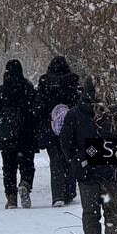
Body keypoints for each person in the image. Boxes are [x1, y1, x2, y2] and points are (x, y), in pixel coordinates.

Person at [59, 76, 117, 234]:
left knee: (90, 215)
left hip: (87, 174)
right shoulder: (116, 112)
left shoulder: (74, 114)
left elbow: (65, 142)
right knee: (113, 212)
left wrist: (77, 161)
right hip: (111, 172)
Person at [0, 59, 38, 209]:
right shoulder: (28, 88)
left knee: (9, 168)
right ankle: (25, 184)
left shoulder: (0, 91)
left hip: (7, 138)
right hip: (26, 135)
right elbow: (36, 109)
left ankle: (11, 198)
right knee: (27, 164)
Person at [35, 55, 81, 206]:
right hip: (70, 129)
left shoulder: (44, 84)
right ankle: (70, 191)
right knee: (70, 158)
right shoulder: (72, 82)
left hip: (51, 129)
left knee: (55, 161)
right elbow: (77, 104)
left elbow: (38, 107)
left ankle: (58, 196)